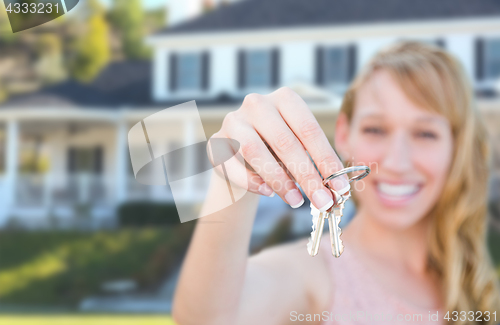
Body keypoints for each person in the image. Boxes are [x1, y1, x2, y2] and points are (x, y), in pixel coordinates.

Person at [172, 42, 500, 325]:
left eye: (425, 133)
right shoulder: (312, 274)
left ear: (456, 148)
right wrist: (235, 175)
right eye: (375, 129)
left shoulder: (479, 285)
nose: (397, 163)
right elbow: (208, 318)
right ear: (343, 133)